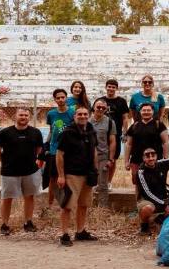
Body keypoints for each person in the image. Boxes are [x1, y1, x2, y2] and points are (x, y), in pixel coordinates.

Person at [0, 108, 44, 235]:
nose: (24, 117)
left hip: (30, 171)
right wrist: (6, 162)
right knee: (7, 198)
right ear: (15, 116)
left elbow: (39, 150)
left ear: (29, 117)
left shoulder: (36, 132)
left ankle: (28, 222)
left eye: (26, 115)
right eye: (21, 115)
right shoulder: (4, 133)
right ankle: (5, 224)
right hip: (9, 172)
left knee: (29, 197)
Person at [55, 106, 98, 246]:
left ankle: (80, 231)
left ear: (89, 115)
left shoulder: (91, 130)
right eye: (80, 114)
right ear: (74, 116)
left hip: (88, 173)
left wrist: (95, 170)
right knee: (67, 205)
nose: (83, 116)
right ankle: (64, 234)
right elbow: (59, 154)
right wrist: (61, 175)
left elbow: (95, 151)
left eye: (85, 114)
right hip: (72, 174)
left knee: (84, 204)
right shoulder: (67, 133)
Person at [123, 103, 169, 188]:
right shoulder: (134, 126)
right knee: (138, 183)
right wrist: (126, 161)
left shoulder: (159, 125)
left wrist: (166, 159)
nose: (146, 112)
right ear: (140, 112)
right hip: (136, 160)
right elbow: (129, 144)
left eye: (149, 110)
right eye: (144, 110)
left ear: (153, 112)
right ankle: (139, 201)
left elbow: (165, 142)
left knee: (155, 183)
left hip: (154, 160)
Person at [135, 147, 169, 235]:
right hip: (146, 199)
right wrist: (164, 205)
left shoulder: (162, 164)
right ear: (144, 158)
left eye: (153, 156)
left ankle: (159, 219)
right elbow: (147, 193)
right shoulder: (141, 172)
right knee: (147, 208)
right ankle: (144, 227)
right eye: (148, 156)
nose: (151, 158)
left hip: (163, 197)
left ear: (156, 156)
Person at [89, 98, 117, 207]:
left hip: (103, 156)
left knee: (103, 184)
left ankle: (102, 208)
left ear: (106, 109)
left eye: (103, 108)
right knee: (87, 183)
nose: (100, 109)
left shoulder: (110, 122)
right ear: (94, 107)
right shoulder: (86, 120)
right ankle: (87, 206)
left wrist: (111, 159)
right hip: (87, 157)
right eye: (98, 107)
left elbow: (112, 141)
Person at [43, 89, 72, 191]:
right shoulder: (51, 114)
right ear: (55, 99)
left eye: (62, 97)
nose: (60, 99)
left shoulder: (72, 112)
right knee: (53, 178)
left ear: (66, 98)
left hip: (69, 150)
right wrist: (46, 144)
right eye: (58, 98)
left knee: (67, 178)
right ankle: (50, 204)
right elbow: (51, 130)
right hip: (54, 149)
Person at [102, 79, 128, 181]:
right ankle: (100, 182)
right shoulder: (100, 100)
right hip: (101, 134)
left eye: (113, 87)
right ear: (106, 87)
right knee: (99, 158)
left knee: (113, 159)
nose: (111, 89)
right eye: (109, 86)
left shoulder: (121, 101)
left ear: (116, 88)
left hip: (116, 134)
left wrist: (125, 132)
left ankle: (108, 181)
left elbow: (125, 118)